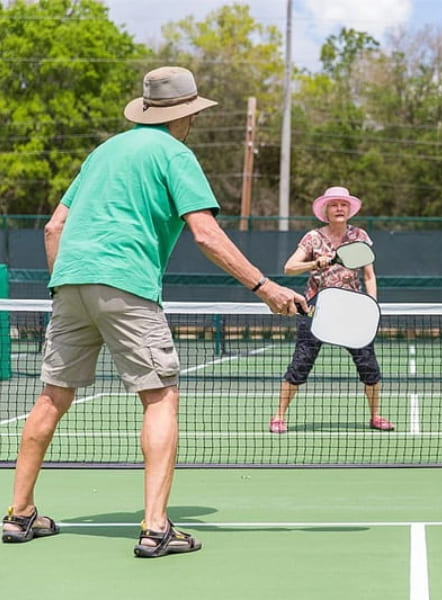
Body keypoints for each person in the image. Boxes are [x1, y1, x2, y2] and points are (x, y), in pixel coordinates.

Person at [0, 66, 307, 557]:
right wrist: (264, 286)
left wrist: (64, 286)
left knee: (52, 398)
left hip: (69, 283)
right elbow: (205, 233)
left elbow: (53, 228)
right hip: (126, 283)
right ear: (185, 114)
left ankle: (18, 515)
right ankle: (156, 526)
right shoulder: (175, 154)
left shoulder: (103, 152)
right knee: (160, 397)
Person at [269, 186, 394, 434]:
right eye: (334, 204)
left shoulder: (359, 236)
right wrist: (316, 262)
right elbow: (289, 267)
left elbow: (369, 276)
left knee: (368, 365)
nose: (339, 208)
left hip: (353, 309)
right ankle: (279, 416)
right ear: (325, 210)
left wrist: (372, 306)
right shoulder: (313, 238)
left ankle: (375, 416)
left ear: (349, 210)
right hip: (316, 308)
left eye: (343, 204)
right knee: (301, 363)